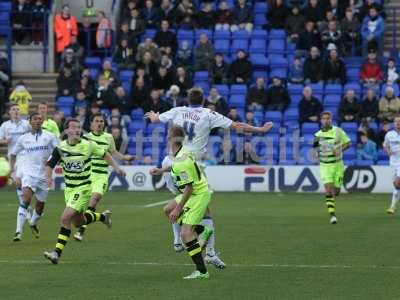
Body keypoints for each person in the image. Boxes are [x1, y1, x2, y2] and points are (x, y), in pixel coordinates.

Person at [145, 87, 273, 268]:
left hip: (171, 164)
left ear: (187, 100)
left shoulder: (177, 110)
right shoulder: (208, 114)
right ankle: (210, 252)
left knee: (177, 206)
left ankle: (177, 239)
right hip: (191, 167)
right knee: (203, 210)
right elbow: (237, 126)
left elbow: (157, 119)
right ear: (203, 101)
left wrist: (153, 117)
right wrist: (259, 129)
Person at [44, 118, 126, 264]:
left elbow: (105, 154)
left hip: (83, 188)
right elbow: (50, 164)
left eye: (79, 127)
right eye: (73, 127)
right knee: (78, 222)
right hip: (69, 190)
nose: (77, 130)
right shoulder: (61, 147)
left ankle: (56, 253)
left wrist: (117, 168)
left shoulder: (88, 145)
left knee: (65, 218)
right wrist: (48, 178)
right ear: (67, 130)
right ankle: (102, 217)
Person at [150, 126, 213, 279]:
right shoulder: (183, 152)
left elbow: (189, 188)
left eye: (168, 135)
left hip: (198, 194)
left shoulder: (181, 161)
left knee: (186, 234)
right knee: (167, 210)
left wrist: (178, 209)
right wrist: (161, 170)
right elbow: (175, 166)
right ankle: (200, 230)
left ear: (171, 139)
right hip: (195, 190)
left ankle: (202, 271)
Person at [73, 113, 134, 241]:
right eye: (97, 121)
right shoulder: (85, 138)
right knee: (81, 207)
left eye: (102, 121)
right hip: (87, 175)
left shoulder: (108, 137)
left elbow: (113, 152)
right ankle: (102, 217)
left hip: (101, 175)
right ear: (91, 124)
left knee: (94, 199)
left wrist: (124, 158)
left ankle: (81, 231)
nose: (100, 123)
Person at [9, 113, 59, 241]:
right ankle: (18, 231)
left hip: (44, 174)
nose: (37, 121)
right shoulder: (23, 138)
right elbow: (13, 154)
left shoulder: (50, 137)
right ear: (30, 122)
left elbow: (60, 150)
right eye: (35, 119)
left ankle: (33, 223)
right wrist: (13, 172)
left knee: (40, 206)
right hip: (29, 173)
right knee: (26, 199)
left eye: (39, 119)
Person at [313, 111, 351, 224]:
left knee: (337, 191)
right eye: (324, 118)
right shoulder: (317, 135)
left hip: (338, 165)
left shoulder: (338, 131)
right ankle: (332, 215)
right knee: (328, 190)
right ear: (321, 120)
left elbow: (348, 143)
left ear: (331, 119)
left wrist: (339, 150)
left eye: (328, 118)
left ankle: (333, 201)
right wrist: (316, 155)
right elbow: (315, 149)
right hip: (325, 166)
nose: (326, 120)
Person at [0, 104, 31, 226]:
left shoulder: (26, 125)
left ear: (20, 111)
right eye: (13, 109)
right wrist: (4, 141)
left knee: (26, 183)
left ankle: (28, 207)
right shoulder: (5, 125)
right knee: (19, 184)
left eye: (18, 109)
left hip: (27, 157)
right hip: (13, 157)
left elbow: (34, 135)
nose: (16, 111)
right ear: (9, 112)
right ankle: (26, 208)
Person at [385, 117, 400, 213]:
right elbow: (385, 145)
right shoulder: (389, 134)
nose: (398, 123)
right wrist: (388, 151)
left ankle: (392, 206)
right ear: (394, 124)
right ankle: (393, 206)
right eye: (397, 122)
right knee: (396, 185)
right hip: (393, 162)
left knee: (398, 182)